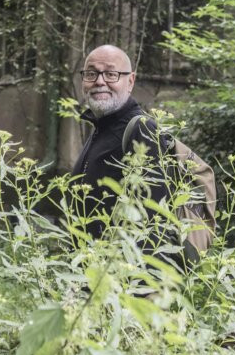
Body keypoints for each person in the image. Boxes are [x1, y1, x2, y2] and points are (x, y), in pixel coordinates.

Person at [69, 44, 168, 242]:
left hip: (119, 268)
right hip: (92, 268)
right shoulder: (101, 128)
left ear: (130, 81)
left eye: (111, 74)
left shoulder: (142, 129)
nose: (99, 81)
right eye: (91, 74)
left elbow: (152, 223)